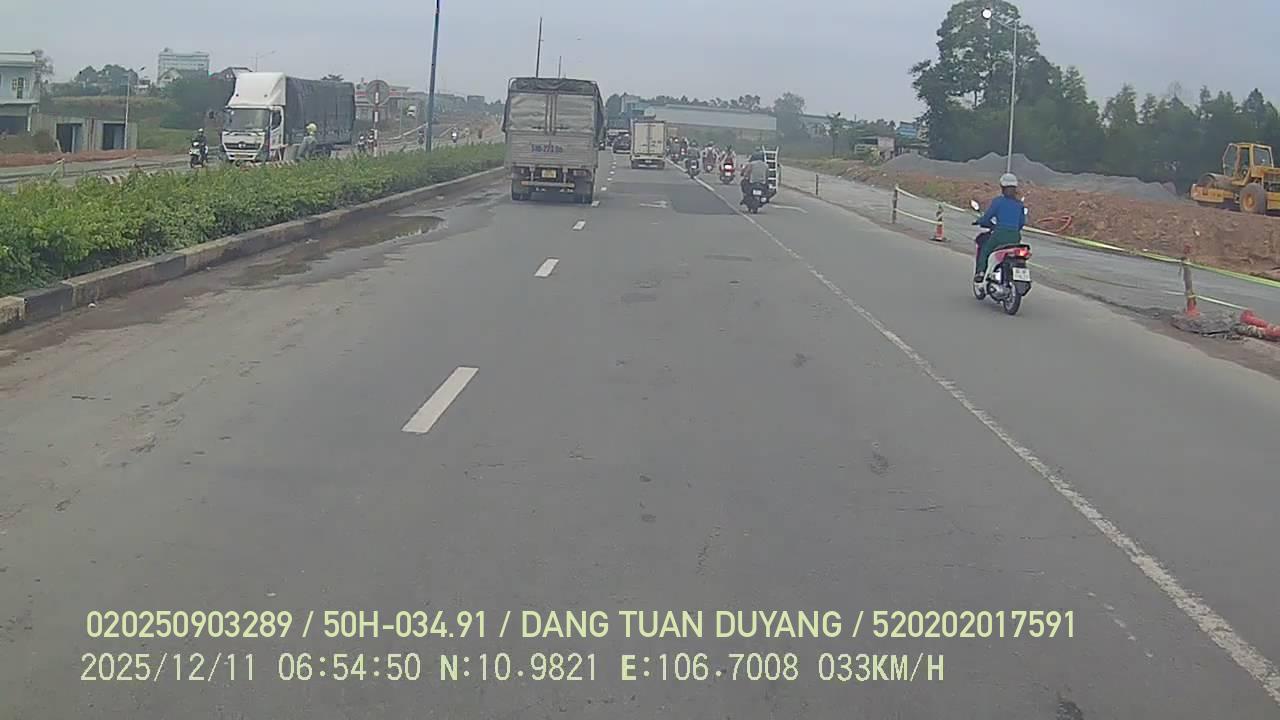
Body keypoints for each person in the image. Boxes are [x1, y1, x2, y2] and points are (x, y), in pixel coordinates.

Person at [973, 173, 1027, 283]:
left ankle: (981, 272)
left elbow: (987, 217)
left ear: (1002, 188)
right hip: (1015, 236)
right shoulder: (1019, 204)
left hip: (999, 234)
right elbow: (1021, 223)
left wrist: (980, 221)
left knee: (985, 250)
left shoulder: (998, 201)